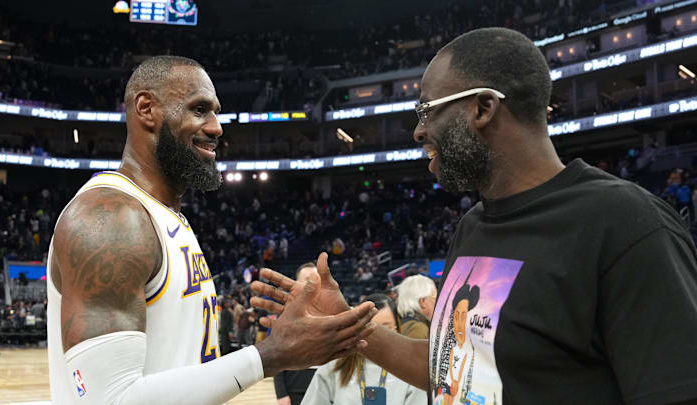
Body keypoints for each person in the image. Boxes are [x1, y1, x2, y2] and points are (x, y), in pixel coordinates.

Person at [251, 28, 697, 405]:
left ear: (483, 108)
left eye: (426, 109)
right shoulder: (473, 225)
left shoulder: (626, 225)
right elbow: (453, 369)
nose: (418, 129)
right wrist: (348, 324)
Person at [46, 55, 377, 404]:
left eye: (215, 112)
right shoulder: (111, 219)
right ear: (146, 108)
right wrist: (269, 356)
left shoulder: (164, 217)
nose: (217, 127)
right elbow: (108, 400)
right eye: (199, 109)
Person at [302, 294, 425, 405]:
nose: (378, 338)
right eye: (370, 329)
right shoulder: (334, 366)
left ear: (397, 329)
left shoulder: (409, 370)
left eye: (387, 329)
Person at [273, 262, 320, 405]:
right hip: (295, 389)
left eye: (316, 278)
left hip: (323, 386)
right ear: (296, 283)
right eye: (307, 279)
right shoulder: (285, 314)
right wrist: (281, 393)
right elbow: (276, 355)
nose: (313, 283)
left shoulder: (332, 312)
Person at [396, 275, 437, 339]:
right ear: (423, 301)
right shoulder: (418, 330)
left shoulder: (398, 324)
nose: (438, 303)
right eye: (435, 298)